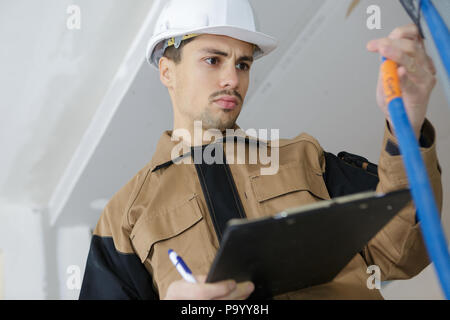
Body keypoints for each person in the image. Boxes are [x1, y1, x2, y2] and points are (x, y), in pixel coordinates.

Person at [79, 0, 442, 300]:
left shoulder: (304, 159)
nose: (233, 79)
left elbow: (404, 253)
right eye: (213, 60)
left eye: (243, 64)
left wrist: (405, 128)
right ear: (166, 71)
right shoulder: (124, 217)